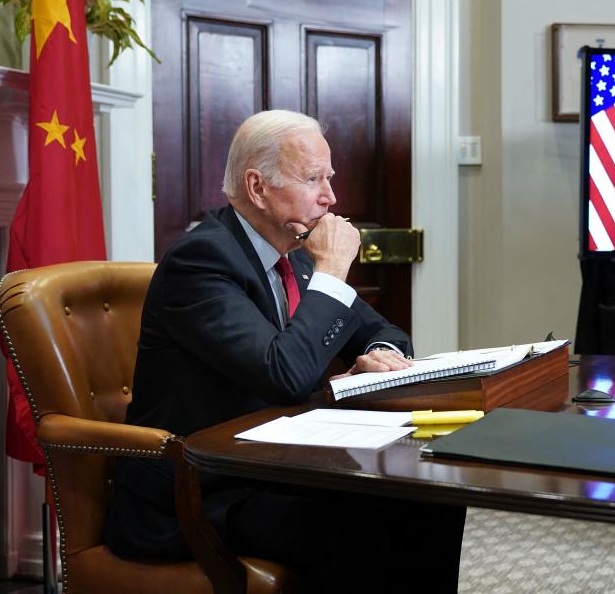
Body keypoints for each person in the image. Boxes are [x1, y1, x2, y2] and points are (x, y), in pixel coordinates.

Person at [104, 110, 465, 590]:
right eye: (313, 178)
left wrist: (377, 354)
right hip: (199, 492)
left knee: (432, 502)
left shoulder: (294, 253)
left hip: (277, 471)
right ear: (257, 187)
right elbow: (284, 375)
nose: (330, 197)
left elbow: (389, 335)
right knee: (370, 533)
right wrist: (334, 270)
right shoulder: (201, 261)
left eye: (329, 178)